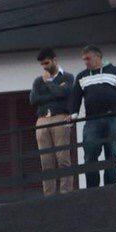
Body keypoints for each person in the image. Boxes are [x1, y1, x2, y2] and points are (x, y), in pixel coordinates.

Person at [68, 45, 116, 188]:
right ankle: (93, 188)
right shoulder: (82, 76)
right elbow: (75, 97)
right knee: (90, 155)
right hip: (91, 120)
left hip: (113, 118)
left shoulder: (115, 72)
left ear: (98, 57)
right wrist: (73, 114)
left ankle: (110, 187)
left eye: (88, 59)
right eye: (84, 60)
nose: (86, 62)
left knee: (112, 154)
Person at [30, 48, 76, 196]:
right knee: (46, 160)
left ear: (55, 60)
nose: (45, 67)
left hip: (59, 117)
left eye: (47, 63)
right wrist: (55, 92)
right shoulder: (38, 80)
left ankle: (66, 192)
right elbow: (33, 100)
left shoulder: (67, 77)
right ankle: (48, 195)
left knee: (63, 157)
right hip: (42, 119)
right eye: (42, 64)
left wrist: (49, 83)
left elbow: (64, 93)